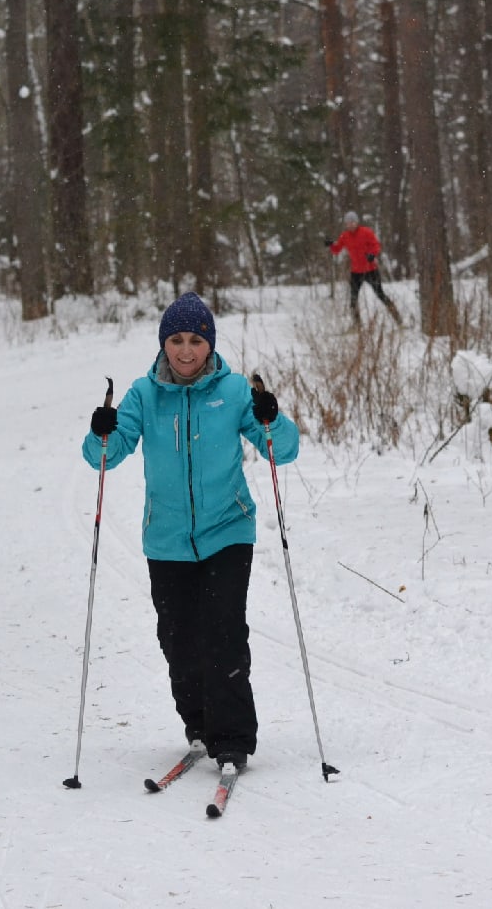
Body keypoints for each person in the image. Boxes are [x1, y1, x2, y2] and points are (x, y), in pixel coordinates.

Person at [81, 292, 300, 771]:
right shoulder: (143, 394)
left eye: (196, 341)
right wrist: (101, 431)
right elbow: (104, 456)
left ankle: (233, 737)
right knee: (177, 640)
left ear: (210, 345)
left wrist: (272, 418)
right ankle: (199, 724)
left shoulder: (234, 391)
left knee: (224, 633)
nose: (186, 350)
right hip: (167, 538)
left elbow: (281, 450)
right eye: (176, 340)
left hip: (228, 530)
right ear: (164, 344)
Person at [325, 211, 402, 326]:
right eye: (348, 223)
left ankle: (398, 318)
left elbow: (376, 245)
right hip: (356, 272)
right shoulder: (345, 236)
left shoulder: (366, 232)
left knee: (380, 294)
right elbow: (337, 250)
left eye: (353, 222)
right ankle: (357, 325)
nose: (351, 225)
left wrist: (372, 254)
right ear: (346, 224)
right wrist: (331, 245)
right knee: (353, 299)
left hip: (370, 270)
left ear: (357, 222)